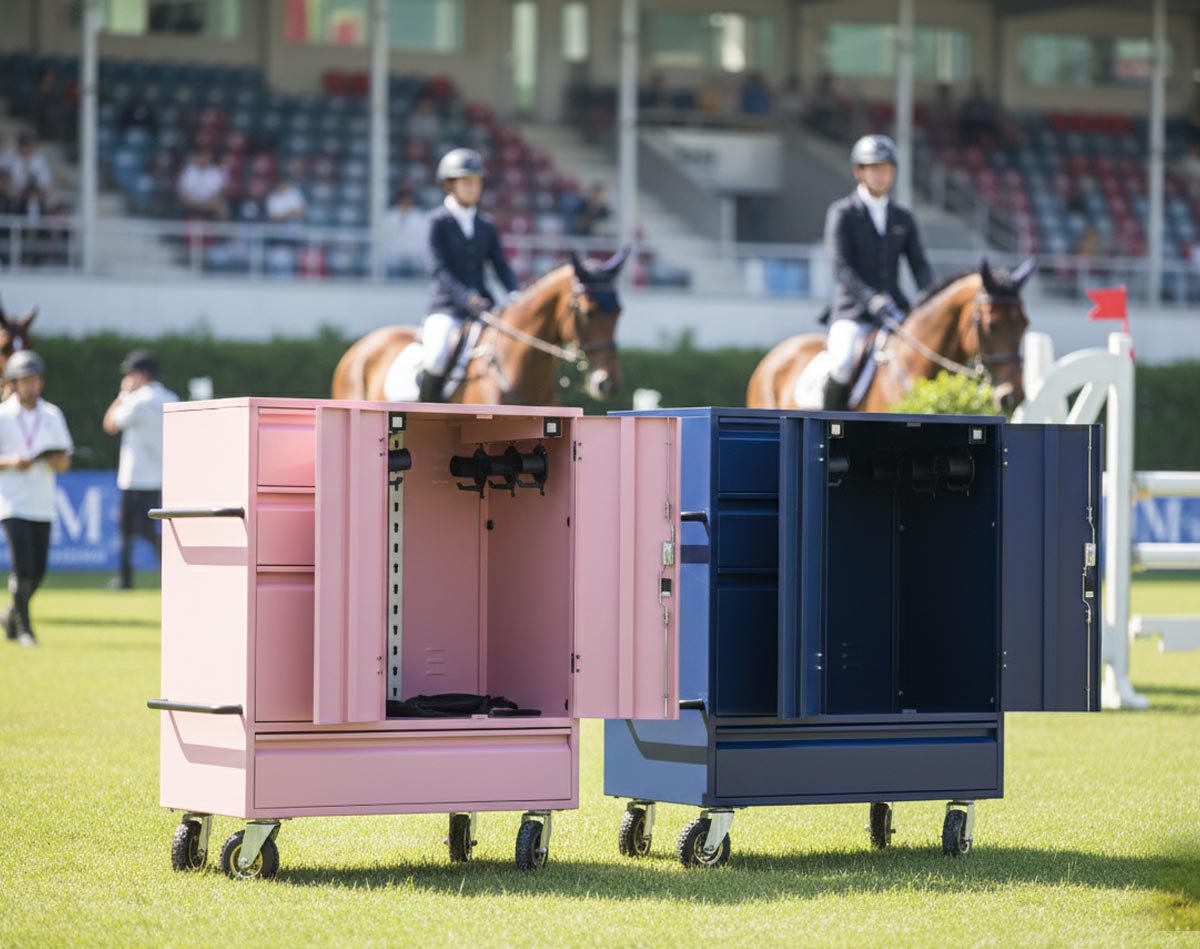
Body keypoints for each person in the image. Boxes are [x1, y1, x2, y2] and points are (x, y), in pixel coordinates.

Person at [822, 134, 932, 411]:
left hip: (895, 311)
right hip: (853, 312)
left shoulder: (902, 218)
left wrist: (930, 299)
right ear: (859, 172)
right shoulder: (842, 213)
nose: (882, 175)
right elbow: (841, 267)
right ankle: (825, 429)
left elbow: (919, 265)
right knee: (842, 363)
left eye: (887, 168)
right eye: (875, 168)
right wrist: (870, 299)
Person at [417, 147, 519, 403]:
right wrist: (466, 298)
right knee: (437, 356)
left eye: (477, 182)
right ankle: (423, 412)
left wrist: (515, 293)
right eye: (467, 182)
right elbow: (438, 270)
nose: (474, 188)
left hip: (483, 308)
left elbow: (500, 264)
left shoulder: (486, 224)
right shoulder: (436, 222)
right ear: (450, 184)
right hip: (447, 309)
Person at [0, 351, 72, 647]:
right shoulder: (3, 415)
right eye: (26, 380)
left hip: (42, 502)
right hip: (12, 501)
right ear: (15, 383)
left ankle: (9, 614)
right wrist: (10, 461)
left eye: (36, 379)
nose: (33, 385)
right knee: (23, 567)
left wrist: (56, 461)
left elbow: (66, 460)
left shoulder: (52, 414)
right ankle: (26, 630)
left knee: (39, 570)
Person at [101, 350, 178, 591]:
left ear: (141, 375)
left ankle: (126, 580)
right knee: (152, 528)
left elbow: (110, 424)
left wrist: (123, 394)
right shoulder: (171, 398)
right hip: (161, 475)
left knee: (128, 531)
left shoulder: (136, 400)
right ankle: (171, 572)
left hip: (134, 477)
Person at [381, 185, 430, 277]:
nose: (405, 203)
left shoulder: (419, 217)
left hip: (414, 259)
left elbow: (422, 239)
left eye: (408, 200)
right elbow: (385, 237)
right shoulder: (390, 216)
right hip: (393, 260)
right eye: (403, 200)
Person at [176, 146, 228, 220]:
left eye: (207, 157)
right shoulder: (188, 170)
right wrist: (194, 202)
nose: (205, 159)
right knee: (181, 201)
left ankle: (223, 231)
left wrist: (207, 203)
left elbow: (218, 193)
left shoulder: (215, 171)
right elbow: (183, 191)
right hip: (190, 203)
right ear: (197, 157)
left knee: (222, 207)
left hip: (209, 203)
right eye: (202, 156)